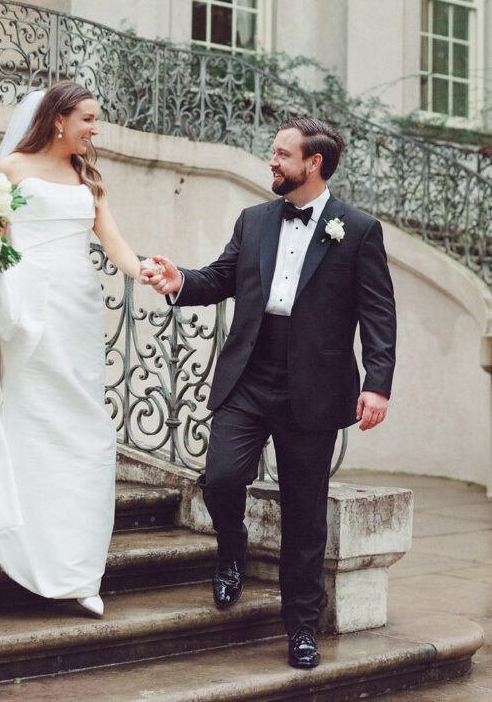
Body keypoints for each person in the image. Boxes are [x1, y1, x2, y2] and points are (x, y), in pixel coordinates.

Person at [144, 117, 396, 669]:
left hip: (315, 387)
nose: (272, 162)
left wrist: (377, 384)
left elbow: (379, 314)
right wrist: (178, 280)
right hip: (250, 375)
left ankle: (302, 628)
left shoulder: (357, 230)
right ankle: (230, 548)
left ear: (314, 164)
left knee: (305, 515)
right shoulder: (254, 220)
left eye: (282, 154)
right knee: (223, 477)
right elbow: (220, 278)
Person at [0, 81, 155, 617]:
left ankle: (78, 567)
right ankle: (32, 551)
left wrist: (146, 272)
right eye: (89, 119)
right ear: (58, 120)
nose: (96, 130)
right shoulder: (9, 170)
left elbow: (112, 241)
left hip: (77, 310)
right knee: (33, 423)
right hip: (26, 308)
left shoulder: (88, 177)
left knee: (87, 431)